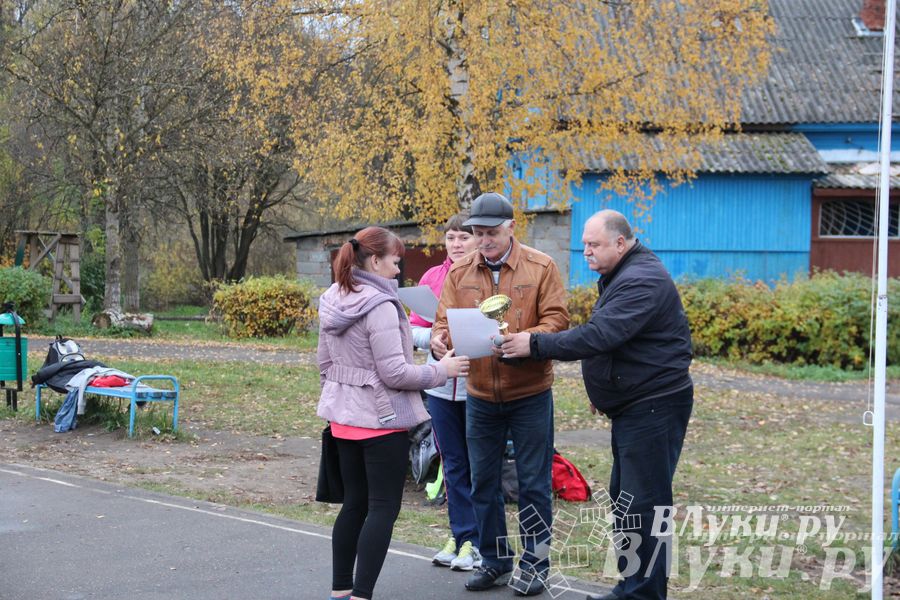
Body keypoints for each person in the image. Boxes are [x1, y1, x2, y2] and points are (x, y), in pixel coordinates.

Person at [499, 210, 693, 600]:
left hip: (653, 407)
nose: (586, 251)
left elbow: (600, 335)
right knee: (628, 503)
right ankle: (632, 587)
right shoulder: (624, 274)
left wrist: (533, 344)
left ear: (620, 242)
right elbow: (624, 343)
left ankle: (642, 594)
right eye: (584, 244)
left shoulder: (641, 280)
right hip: (636, 406)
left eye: (594, 245)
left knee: (643, 506)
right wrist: (606, 390)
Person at [317, 226, 470, 600]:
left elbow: (324, 363)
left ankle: (340, 591)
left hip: (342, 418)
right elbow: (395, 374)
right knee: (383, 508)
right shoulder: (382, 306)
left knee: (353, 505)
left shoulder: (332, 296)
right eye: (396, 261)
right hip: (381, 422)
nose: (399, 270)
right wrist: (441, 371)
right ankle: (361, 595)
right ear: (374, 260)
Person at [430, 192, 569, 596]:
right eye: (478, 233)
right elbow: (443, 321)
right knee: (483, 481)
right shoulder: (459, 273)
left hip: (529, 391)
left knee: (534, 483)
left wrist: (528, 339)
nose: (483, 240)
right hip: (480, 394)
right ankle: (494, 559)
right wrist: (440, 341)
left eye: (491, 233)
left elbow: (558, 320)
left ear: (511, 228)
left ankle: (536, 564)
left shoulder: (541, 266)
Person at [408, 214, 482, 571]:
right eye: (450, 238)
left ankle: (479, 541)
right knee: (452, 464)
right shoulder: (431, 278)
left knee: (479, 466)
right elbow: (411, 331)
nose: (456, 244)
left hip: (477, 387)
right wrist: (433, 340)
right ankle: (460, 534)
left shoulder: (488, 277)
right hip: (439, 387)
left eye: (463, 238)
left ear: (478, 240)